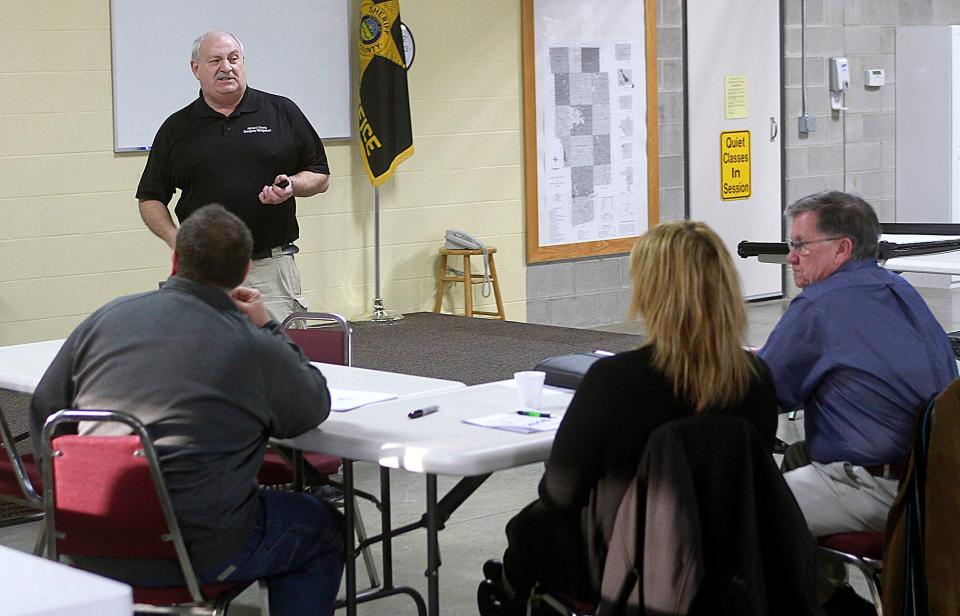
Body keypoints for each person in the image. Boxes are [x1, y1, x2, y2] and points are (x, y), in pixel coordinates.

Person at [30, 204, 344, 616]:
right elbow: (310, 409)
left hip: (85, 537)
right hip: (195, 551)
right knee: (322, 529)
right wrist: (267, 325)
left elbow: (46, 412)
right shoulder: (249, 343)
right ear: (246, 271)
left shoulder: (106, 318)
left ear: (176, 258)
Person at [478, 221, 780, 615]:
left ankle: (510, 595)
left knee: (530, 527)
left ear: (650, 293)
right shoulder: (756, 379)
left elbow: (560, 491)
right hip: (733, 558)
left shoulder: (616, 380)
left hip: (629, 559)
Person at [758, 190, 958, 612]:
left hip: (880, 486)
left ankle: (826, 604)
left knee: (735, 510)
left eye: (800, 245)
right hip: (934, 478)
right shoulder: (901, 291)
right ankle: (826, 594)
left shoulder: (819, 305)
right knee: (797, 454)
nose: (791, 257)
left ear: (842, 248)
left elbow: (760, 393)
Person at [136, 30, 330, 322]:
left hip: (270, 269)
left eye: (233, 58)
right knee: (204, 359)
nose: (226, 67)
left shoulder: (281, 111)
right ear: (195, 69)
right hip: (202, 273)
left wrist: (292, 187)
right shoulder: (176, 128)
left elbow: (320, 175)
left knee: (274, 358)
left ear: (243, 63)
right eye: (215, 60)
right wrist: (175, 239)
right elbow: (150, 197)